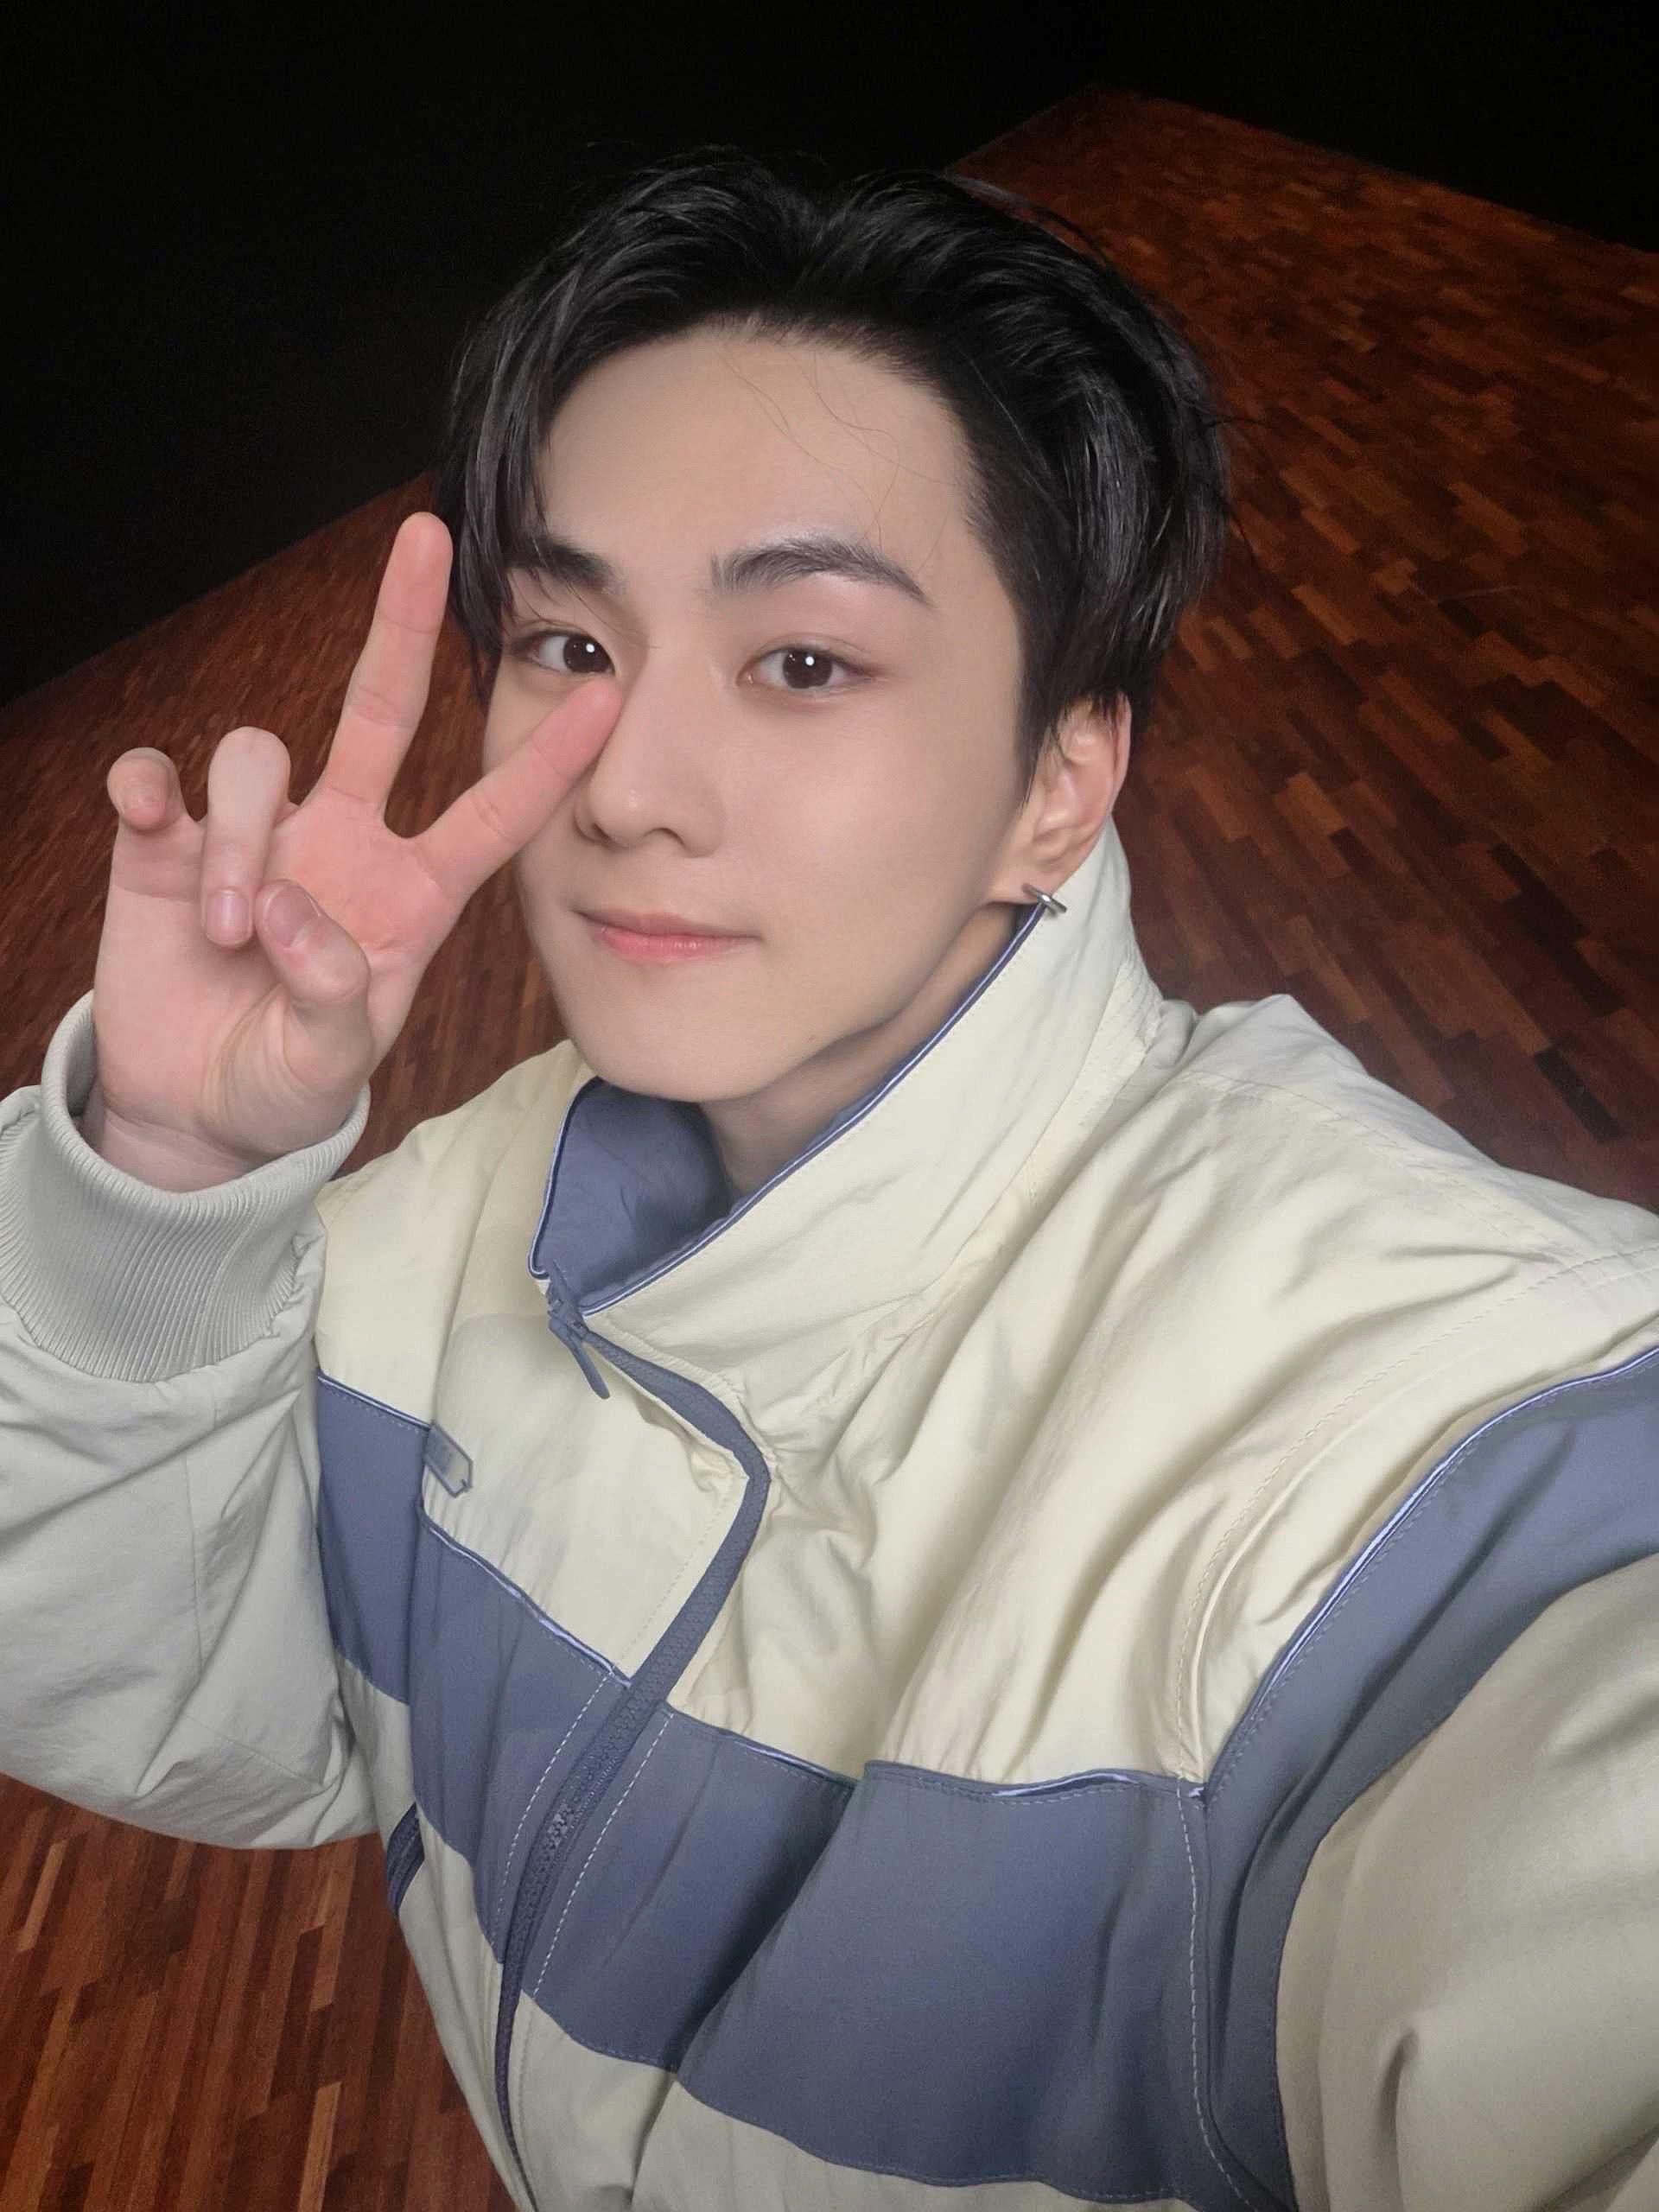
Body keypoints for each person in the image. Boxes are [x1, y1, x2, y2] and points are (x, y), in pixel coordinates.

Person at [1, 143, 1655, 2212]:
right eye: (567, 642)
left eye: (802, 659)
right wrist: (163, 1176)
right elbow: (204, 1686)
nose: (628, 790)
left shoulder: (1439, 1441)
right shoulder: (439, 1221)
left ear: (1061, 777)